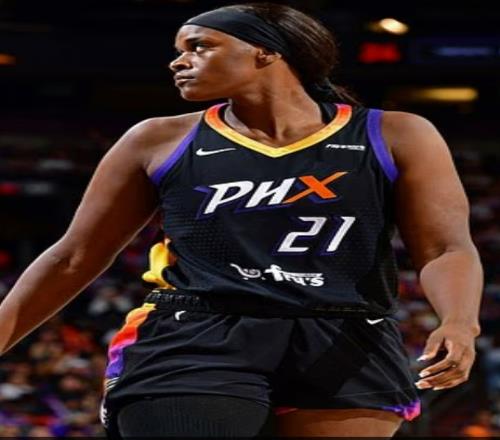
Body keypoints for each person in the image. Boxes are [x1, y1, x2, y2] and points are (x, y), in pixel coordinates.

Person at [0, 2, 483, 438]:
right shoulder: (157, 139)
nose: (178, 61)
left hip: (348, 333)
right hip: (197, 332)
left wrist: (460, 323)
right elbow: (75, 256)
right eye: (179, 50)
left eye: (199, 46)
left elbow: (445, 247)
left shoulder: (394, 133)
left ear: (266, 53)